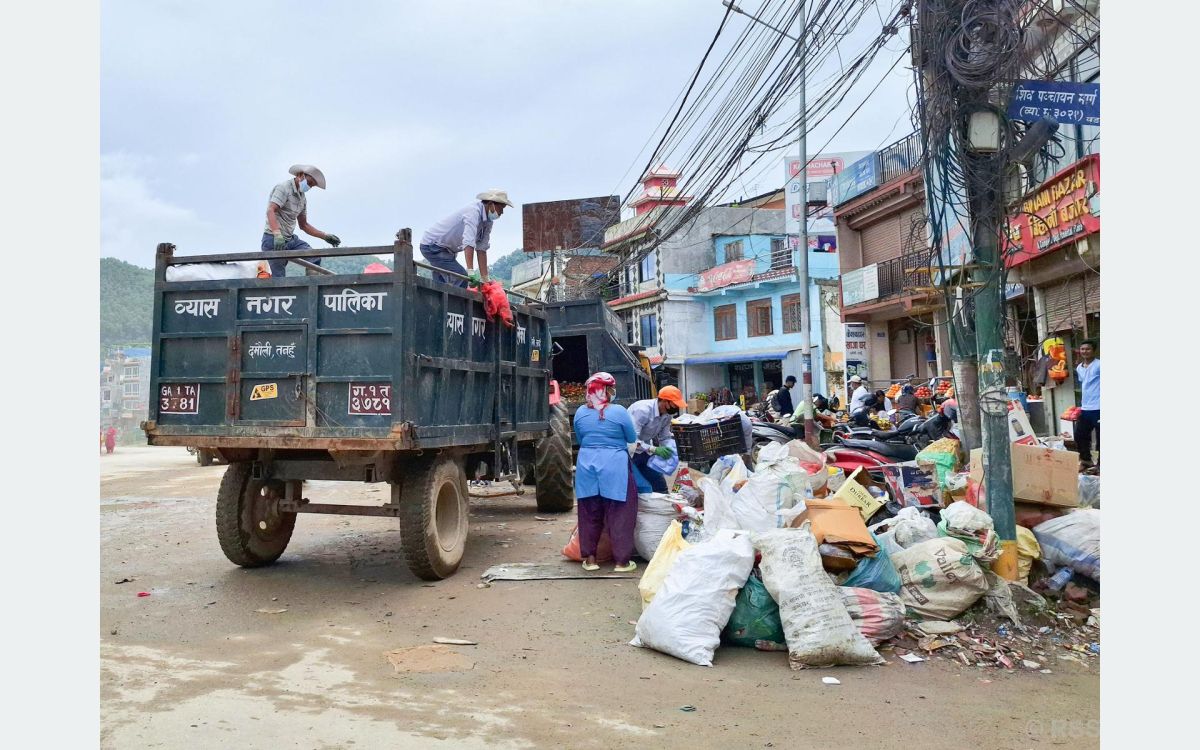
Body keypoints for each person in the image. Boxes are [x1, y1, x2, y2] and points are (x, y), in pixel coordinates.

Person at [573, 373, 639, 573]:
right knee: (620, 513)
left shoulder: (580, 413)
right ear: (607, 391)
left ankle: (591, 560)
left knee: (589, 512)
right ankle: (621, 562)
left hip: (586, 466)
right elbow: (631, 437)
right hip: (615, 466)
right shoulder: (619, 412)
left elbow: (580, 436)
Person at [420, 190, 515, 287]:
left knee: (441, 286)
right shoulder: (473, 211)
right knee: (462, 277)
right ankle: (458, 302)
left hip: (448, 251)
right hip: (432, 246)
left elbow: (482, 248)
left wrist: (485, 278)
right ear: (491, 204)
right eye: (501, 208)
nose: (502, 212)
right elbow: (468, 242)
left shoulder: (488, 221)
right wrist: (470, 271)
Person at [262, 164, 341, 278]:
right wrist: (277, 234)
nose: (309, 187)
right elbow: (271, 210)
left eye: (312, 186)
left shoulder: (302, 198)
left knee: (314, 257)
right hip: (273, 239)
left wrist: (325, 236)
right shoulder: (283, 188)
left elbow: (304, 225)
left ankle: (312, 289)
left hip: (290, 239)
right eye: (309, 183)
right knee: (279, 277)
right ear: (300, 175)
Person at [627, 386, 687, 493]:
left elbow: (664, 437)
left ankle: (664, 507)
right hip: (629, 452)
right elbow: (631, 440)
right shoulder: (642, 410)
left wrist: (671, 449)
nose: (677, 407)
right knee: (637, 487)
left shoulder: (667, 415)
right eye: (675, 404)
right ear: (665, 401)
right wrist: (654, 449)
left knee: (660, 485)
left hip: (644, 450)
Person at [1074, 339, 1100, 471]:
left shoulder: (1099, 365)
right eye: (1083, 349)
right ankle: (1086, 460)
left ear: (1093, 350)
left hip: (1099, 407)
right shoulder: (1079, 367)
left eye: (1088, 349)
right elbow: (1084, 385)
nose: (1085, 351)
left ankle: (1100, 465)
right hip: (1086, 407)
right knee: (1080, 435)